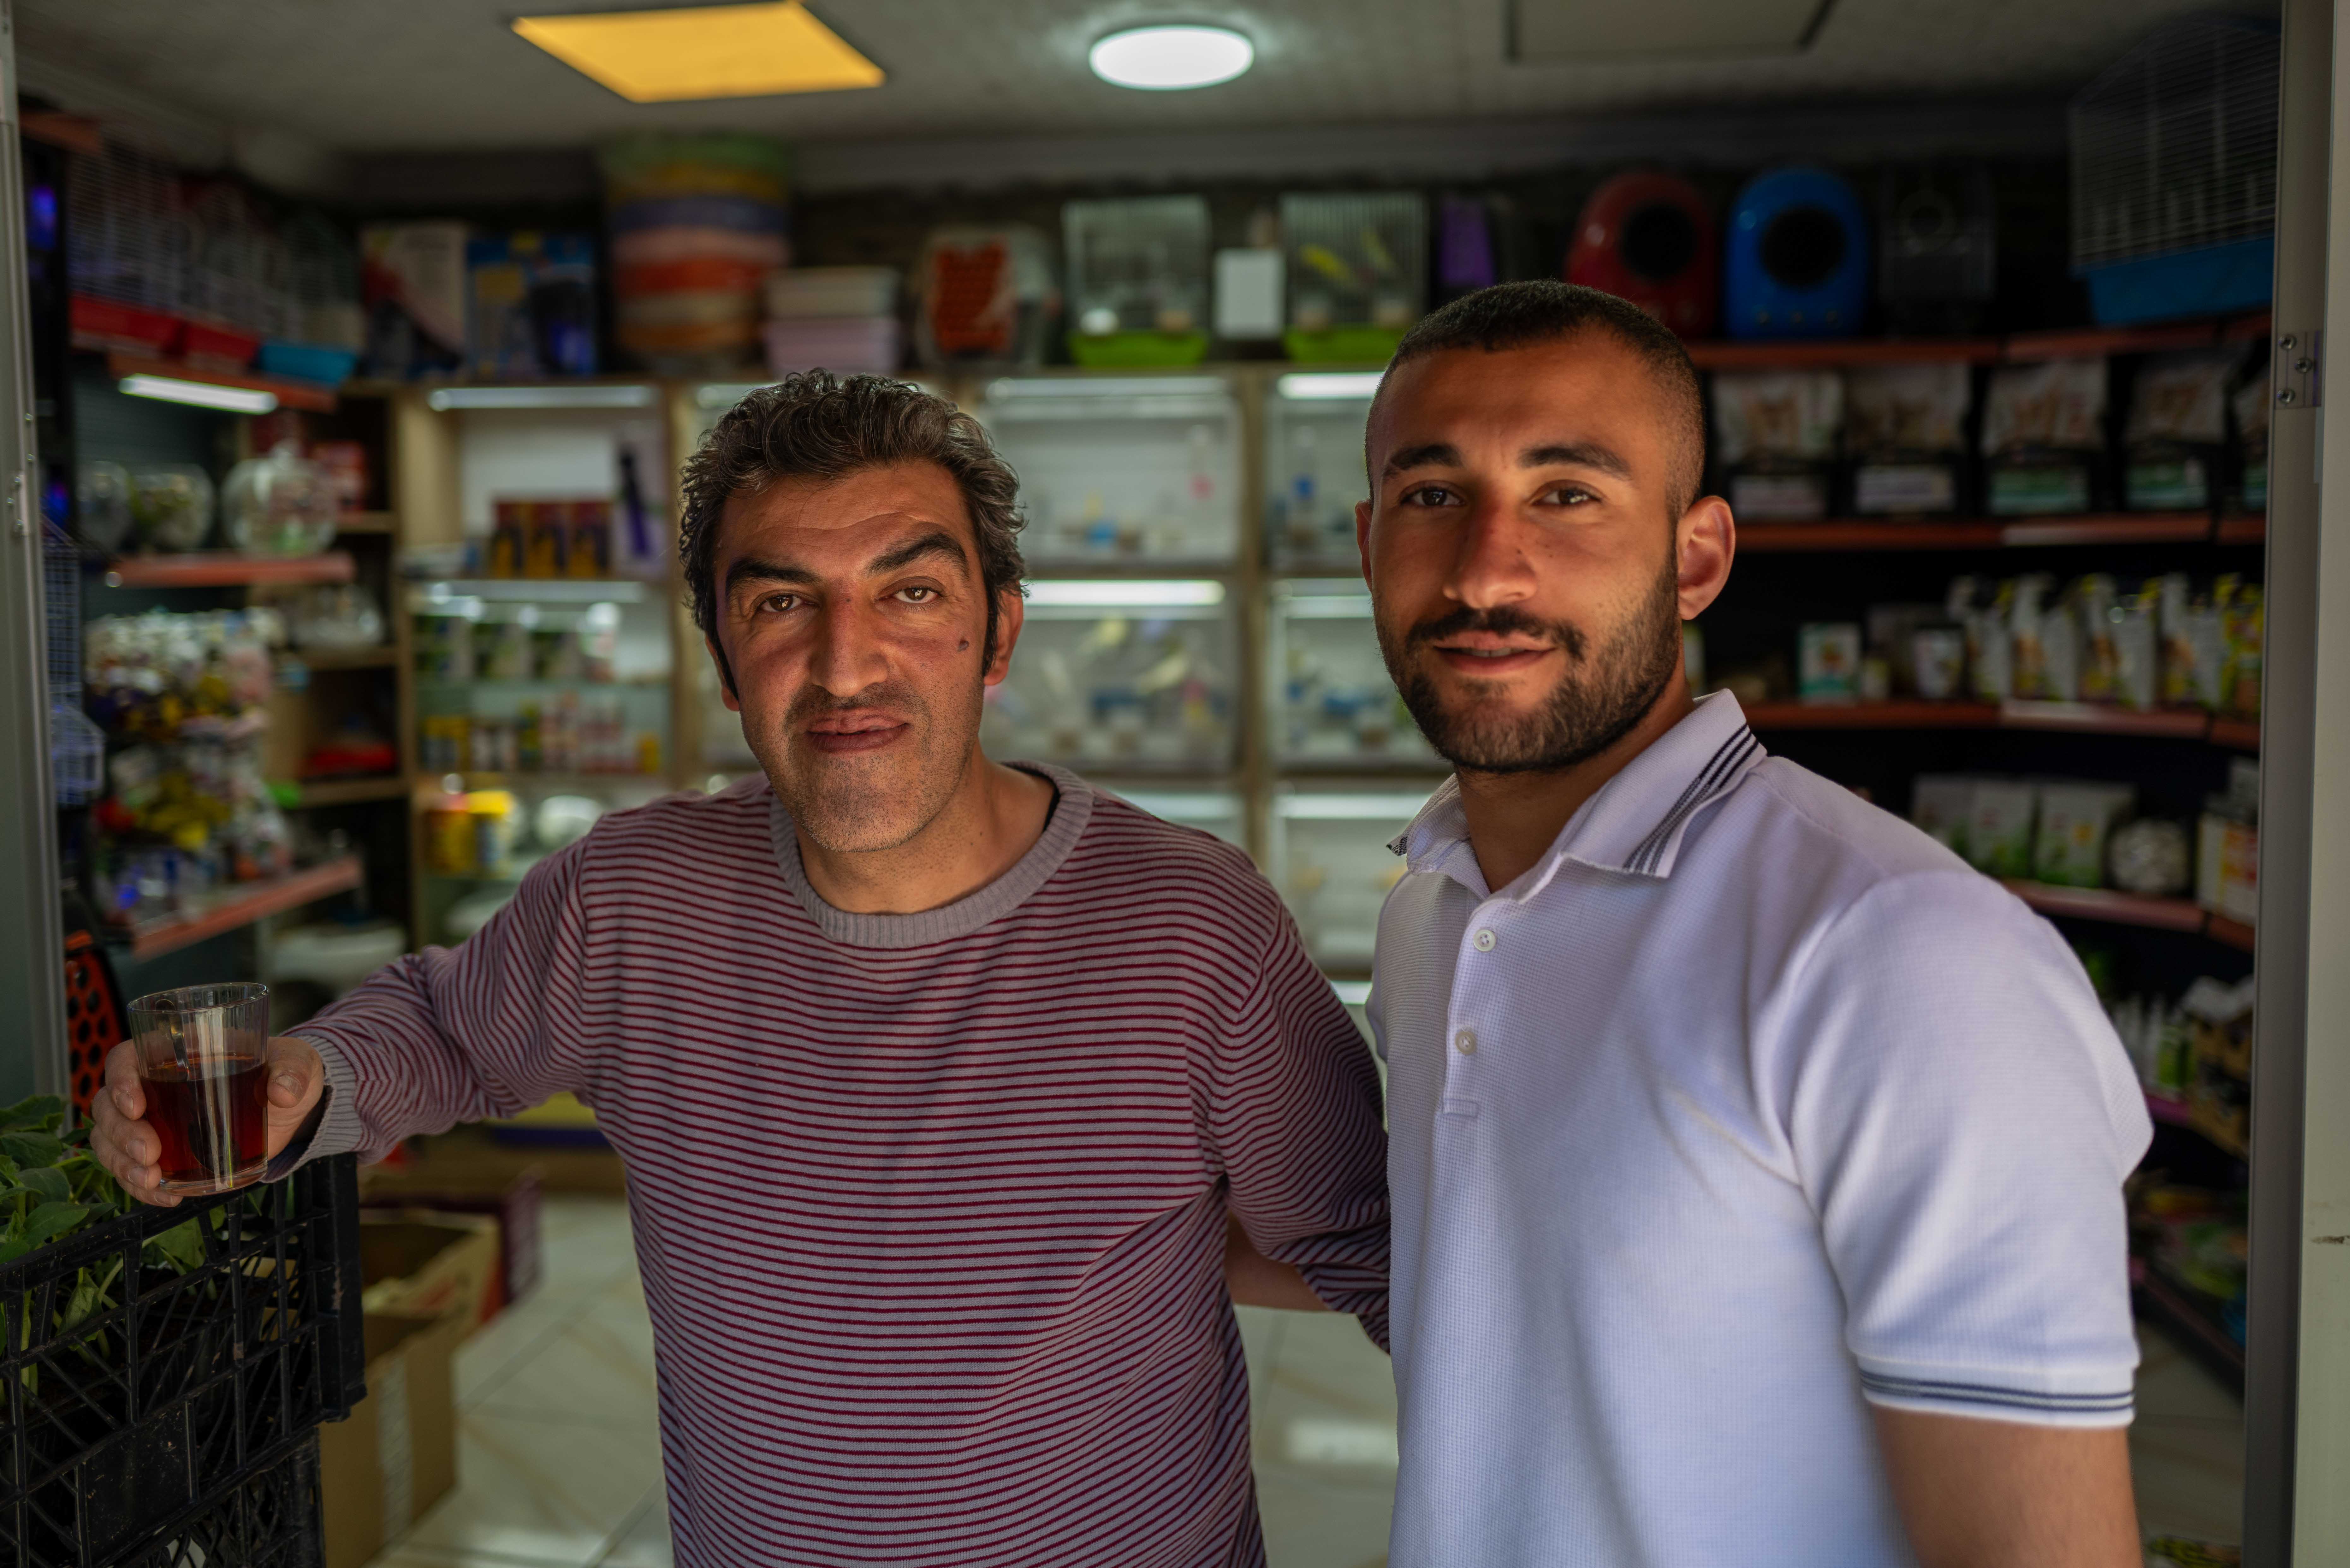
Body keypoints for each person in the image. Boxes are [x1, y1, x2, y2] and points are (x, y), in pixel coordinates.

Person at [91, 373, 1388, 1568]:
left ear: (998, 632)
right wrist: (308, 1075)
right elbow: (444, 1028)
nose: (844, 662)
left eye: (911, 592)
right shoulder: (631, 900)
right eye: (780, 602)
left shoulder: (1191, 926)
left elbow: (1375, 1240)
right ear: (721, 658)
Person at [1356, 282, 2150, 1568]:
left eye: (1568, 493)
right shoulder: (1431, 912)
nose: (1485, 570)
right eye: (1432, 493)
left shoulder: (1904, 952)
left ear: (1695, 560)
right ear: (1366, 543)